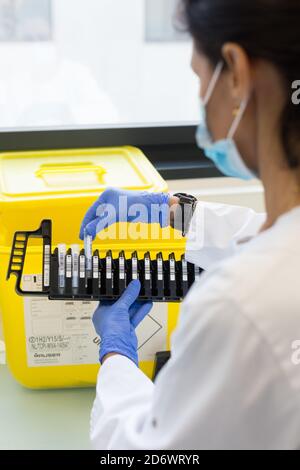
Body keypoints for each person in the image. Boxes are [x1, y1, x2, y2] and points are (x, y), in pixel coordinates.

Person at [80, 0, 300, 450]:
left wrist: (117, 356)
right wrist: (171, 213)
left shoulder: (235, 307)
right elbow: (277, 239)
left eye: (200, 77)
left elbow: (154, 452)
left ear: (236, 73)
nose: (202, 97)